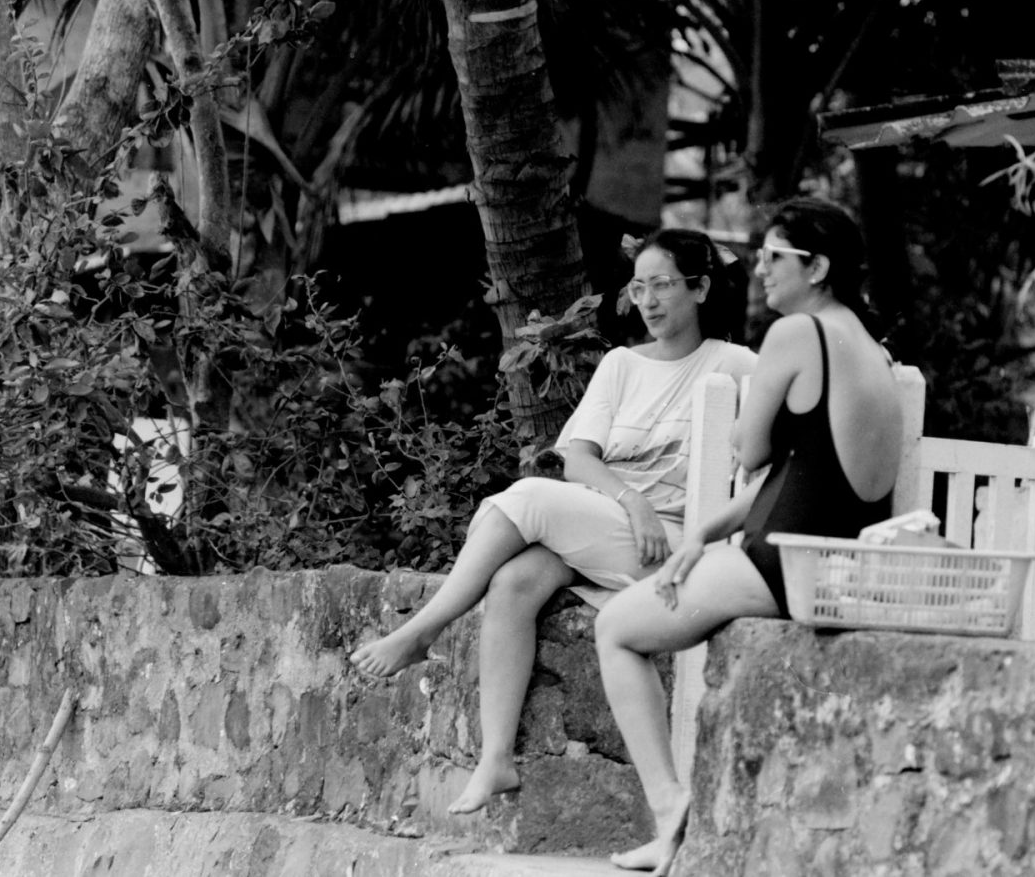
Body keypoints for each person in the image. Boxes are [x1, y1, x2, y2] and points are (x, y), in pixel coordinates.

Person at [350, 229, 756, 816]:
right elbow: (579, 458)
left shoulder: (735, 364)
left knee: (530, 496)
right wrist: (633, 501)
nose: (647, 300)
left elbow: (783, 430)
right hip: (614, 525)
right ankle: (496, 759)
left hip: (669, 549)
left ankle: (422, 631)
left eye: (663, 285)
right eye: (638, 287)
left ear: (700, 288)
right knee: (515, 581)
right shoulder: (621, 365)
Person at [594, 197, 903, 875]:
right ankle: (669, 818)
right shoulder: (864, 342)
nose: (760, 270)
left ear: (816, 268)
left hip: (780, 562)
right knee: (636, 615)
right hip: (831, 559)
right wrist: (702, 534)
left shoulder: (797, 334)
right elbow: (809, 469)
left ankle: (669, 806)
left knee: (615, 628)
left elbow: (752, 450)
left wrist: (748, 422)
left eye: (774, 257)